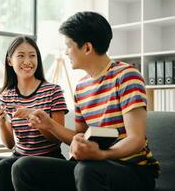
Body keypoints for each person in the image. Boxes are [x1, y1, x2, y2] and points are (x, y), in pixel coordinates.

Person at [11, 11, 160, 191]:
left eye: (68, 46)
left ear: (87, 48)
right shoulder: (81, 87)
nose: (66, 52)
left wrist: (100, 154)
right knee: (24, 167)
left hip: (133, 171)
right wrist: (50, 125)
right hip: (92, 165)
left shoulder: (127, 76)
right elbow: (80, 135)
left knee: (86, 170)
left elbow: (135, 139)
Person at [0, 36, 69, 191]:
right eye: (21, 56)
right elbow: (10, 144)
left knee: (4, 166)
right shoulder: (6, 96)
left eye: (32, 56)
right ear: (9, 61)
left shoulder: (53, 91)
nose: (27, 61)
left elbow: (57, 139)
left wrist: (39, 123)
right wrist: (1, 123)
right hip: (18, 157)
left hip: (48, 160)